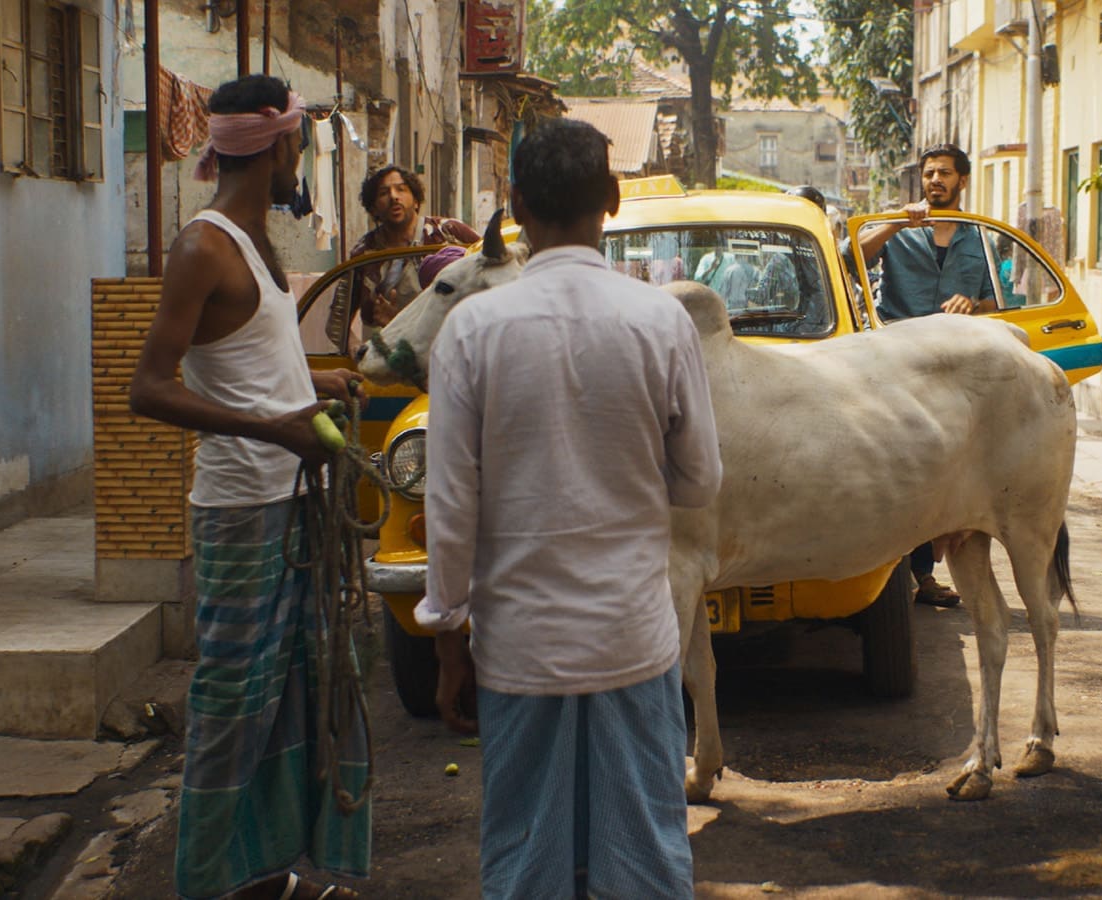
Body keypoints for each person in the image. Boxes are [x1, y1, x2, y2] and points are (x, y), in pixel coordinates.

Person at [417, 118, 722, 897]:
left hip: (522, 646)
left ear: (516, 203)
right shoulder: (661, 321)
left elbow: (450, 505)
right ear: (612, 198)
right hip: (633, 638)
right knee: (646, 857)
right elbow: (698, 481)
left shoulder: (472, 330)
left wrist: (447, 634)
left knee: (527, 860)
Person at [128, 74, 370, 900]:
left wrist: (315, 384)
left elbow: (244, 363)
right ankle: (203, 882)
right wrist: (276, 429)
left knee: (297, 691)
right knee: (234, 703)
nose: (300, 156)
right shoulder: (203, 247)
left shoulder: (258, 241)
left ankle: (264, 876)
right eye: (299, 142)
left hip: (290, 498)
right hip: (240, 509)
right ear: (278, 145)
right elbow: (148, 390)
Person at [856, 143, 997, 608]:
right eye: (930, 173)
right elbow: (850, 257)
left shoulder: (980, 237)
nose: (936, 180)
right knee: (896, 467)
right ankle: (885, 572)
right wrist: (898, 221)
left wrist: (972, 304)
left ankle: (922, 574)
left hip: (955, 369)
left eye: (945, 173)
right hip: (898, 365)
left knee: (943, 470)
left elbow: (997, 301)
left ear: (962, 181)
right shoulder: (898, 229)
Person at [349, 165, 481, 327]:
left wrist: (396, 320)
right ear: (373, 209)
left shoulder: (449, 232)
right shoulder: (364, 254)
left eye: (401, 189)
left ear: (416, 201)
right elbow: (337, 323)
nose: (394, 197)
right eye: (384, 193)